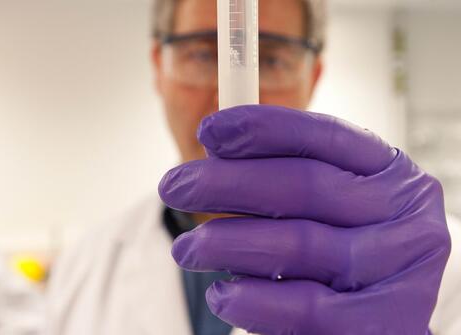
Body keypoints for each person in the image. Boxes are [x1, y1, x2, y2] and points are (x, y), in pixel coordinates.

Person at [47, 0, 461, 334]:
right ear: (160, 67)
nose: (234, 103)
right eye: (202, 53)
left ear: (312, 76)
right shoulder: (83, 267)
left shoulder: (429, 266)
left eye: (274, 59)